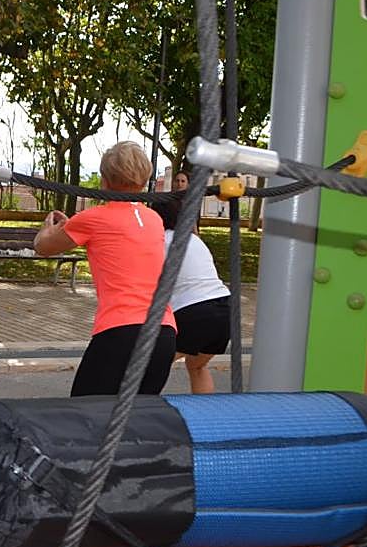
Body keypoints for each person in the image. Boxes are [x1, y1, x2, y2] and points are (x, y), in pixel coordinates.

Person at [34, 141, 177, 397]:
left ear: (104, 180)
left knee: (84, 412)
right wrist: (74, 228)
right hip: (163, 333)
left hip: (122, 332)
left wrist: (48, 228)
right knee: (135, 415)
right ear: (144, 179)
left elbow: (43, 247)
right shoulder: (154, 219)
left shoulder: (94, 218)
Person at [151, 195, 232, 394]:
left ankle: (139, 412)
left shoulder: (160, 242)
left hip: (195, 310)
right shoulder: (194, 240)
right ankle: (205, 416)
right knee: (196, 365)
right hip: (225, 309)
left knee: (150, 364)